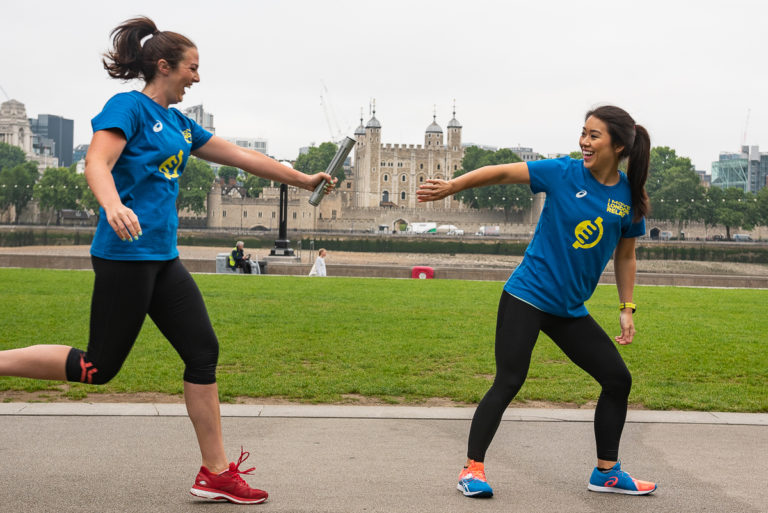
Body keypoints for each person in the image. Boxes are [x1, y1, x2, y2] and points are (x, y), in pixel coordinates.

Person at [0, 16, 334, 505]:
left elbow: (239, 154)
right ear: (164, 66)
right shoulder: (127, 107)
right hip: (124, 257)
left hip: (163, 260)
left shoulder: (180, 124)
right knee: (98, 367)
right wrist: (112, 204)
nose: (197, 77)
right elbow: (97, 161)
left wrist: (301, 179)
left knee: (202, 353)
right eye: (192, 68)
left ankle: (215, 473)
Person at [417, 105, 657, 498]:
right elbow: (501, 172)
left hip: (569, 310)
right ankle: (472, 470)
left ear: (618, 145)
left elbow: (626, 255)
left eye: (594, 136)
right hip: (527, 296)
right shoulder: (563, 172)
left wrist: (627, 308)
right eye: (583, 133)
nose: (584, 141)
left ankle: (607, 472)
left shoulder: (628, 197)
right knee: (509, 380)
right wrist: (453, 186)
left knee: (618, 380)